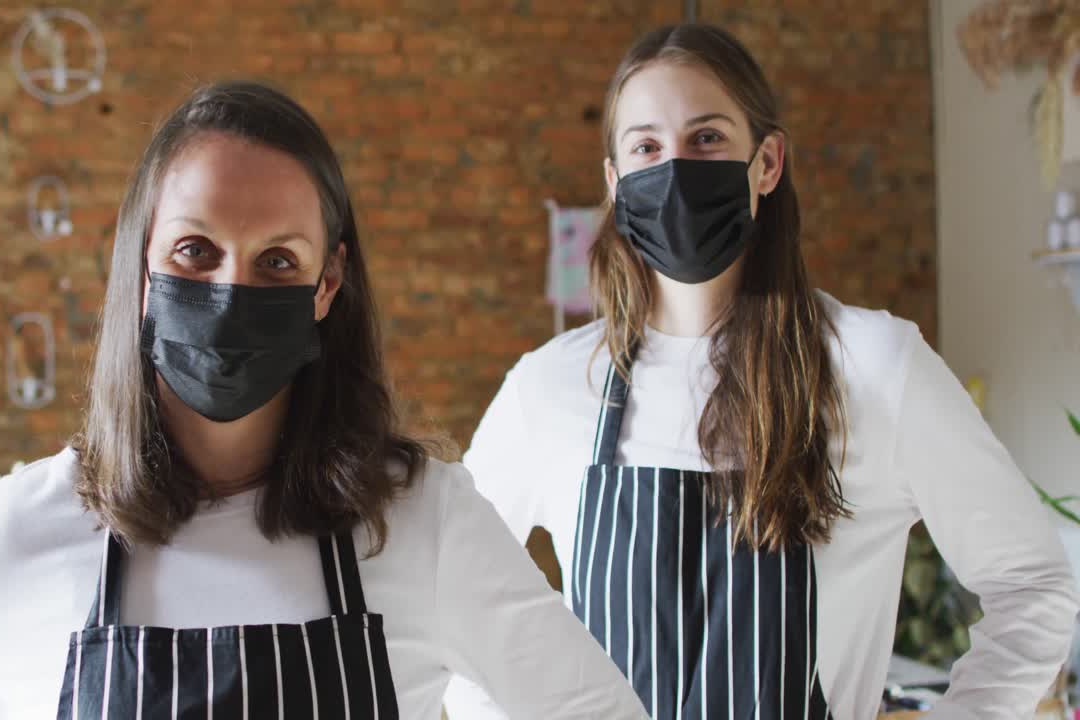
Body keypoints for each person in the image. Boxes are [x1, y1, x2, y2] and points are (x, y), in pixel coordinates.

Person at [0, 82, 647, 720]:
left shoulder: (421, 521)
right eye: (195, 250)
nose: (229, 288)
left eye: (276, 261)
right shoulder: (9, 538)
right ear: (142, 268)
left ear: (328, 283)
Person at [444, 23, 1079, 720]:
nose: (676, 169)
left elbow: (1036, 585)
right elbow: (455, 608)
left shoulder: (874, 368)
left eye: (708, 138)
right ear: (616, 182)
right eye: (647, 148)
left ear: (768, 163)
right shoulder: (549, 388)